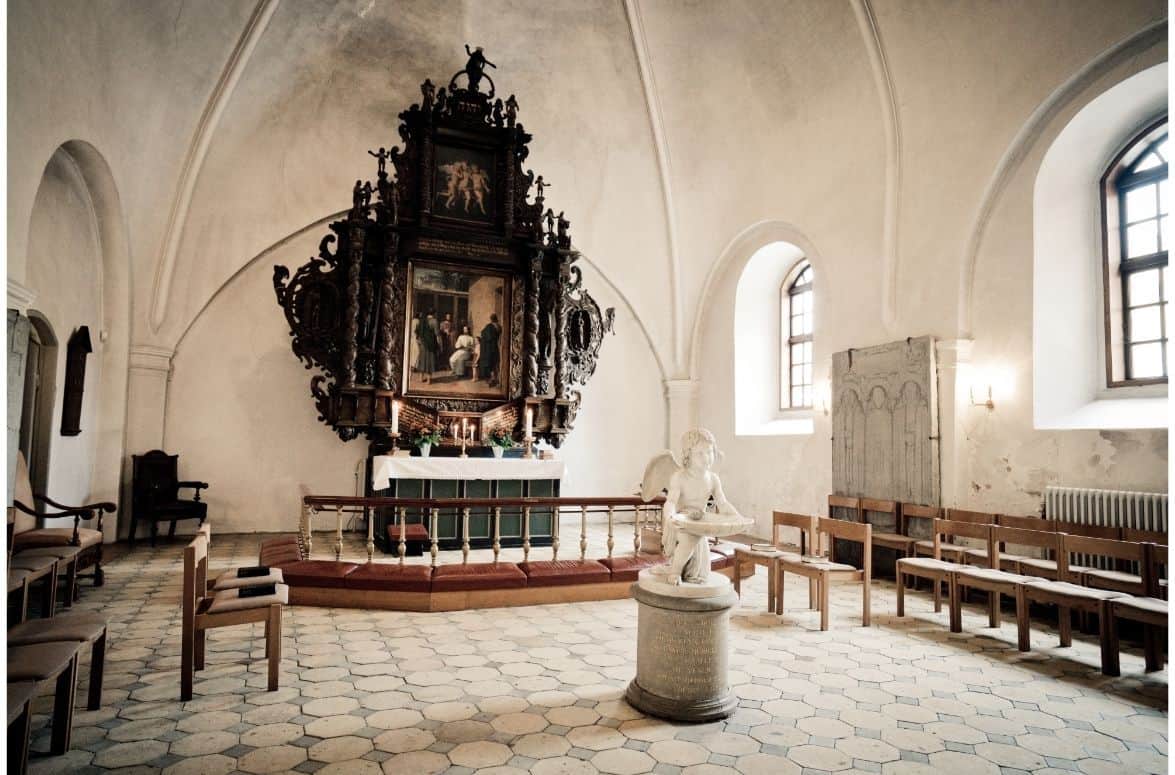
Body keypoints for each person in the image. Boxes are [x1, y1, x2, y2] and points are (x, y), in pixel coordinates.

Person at [662, 429, 741, 585]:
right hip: (680, 523)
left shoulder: (713, 479)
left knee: (696, 537)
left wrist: (737, 516)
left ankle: (689, 572)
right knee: (689, 539)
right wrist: (669, 517)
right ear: (688, 455)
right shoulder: (680, 477)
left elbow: (722, 503)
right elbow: (670, 502)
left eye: (710, 451)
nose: (707, 457)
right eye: (700, 453)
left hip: (700, 523)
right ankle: (675, 572)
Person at [477, 313, 501, 385]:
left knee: (489, 363)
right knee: (494, 363)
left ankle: (492, 379)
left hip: (489, 348)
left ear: (491, 319)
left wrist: (482, 337)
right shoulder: (499, 326)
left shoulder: (489, 326)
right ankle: (494, 379)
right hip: (495, 347)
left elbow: (486, 335)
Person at [415, 312, 438, 382]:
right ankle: (428, 380)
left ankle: (421, 378)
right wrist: (439, 344)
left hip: (422, 343)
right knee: (430, 360)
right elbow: (437, 333)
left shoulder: (422, 320)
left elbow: (417, 331)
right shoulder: (434, 321)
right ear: (434, 314)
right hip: (431, 343)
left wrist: (419, 340)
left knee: (422, 359)